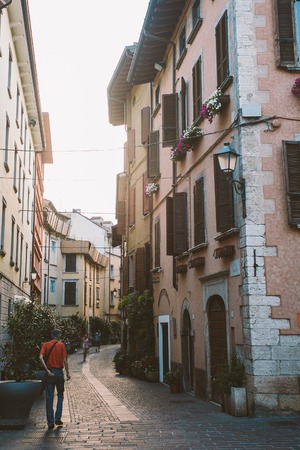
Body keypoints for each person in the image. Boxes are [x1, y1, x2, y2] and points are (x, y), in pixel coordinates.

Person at [39, 329, 71, 430]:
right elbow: (65, 360)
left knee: (49, 397)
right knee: (60, 395)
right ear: (59, 336)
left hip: (50, 374)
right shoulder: (61, 345)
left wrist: (47, 370)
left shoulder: (46, 345)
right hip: (59, 373)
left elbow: (40, 357)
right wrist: (68, 373)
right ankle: (58, 418)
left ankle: (50, 422)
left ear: (51, 335)